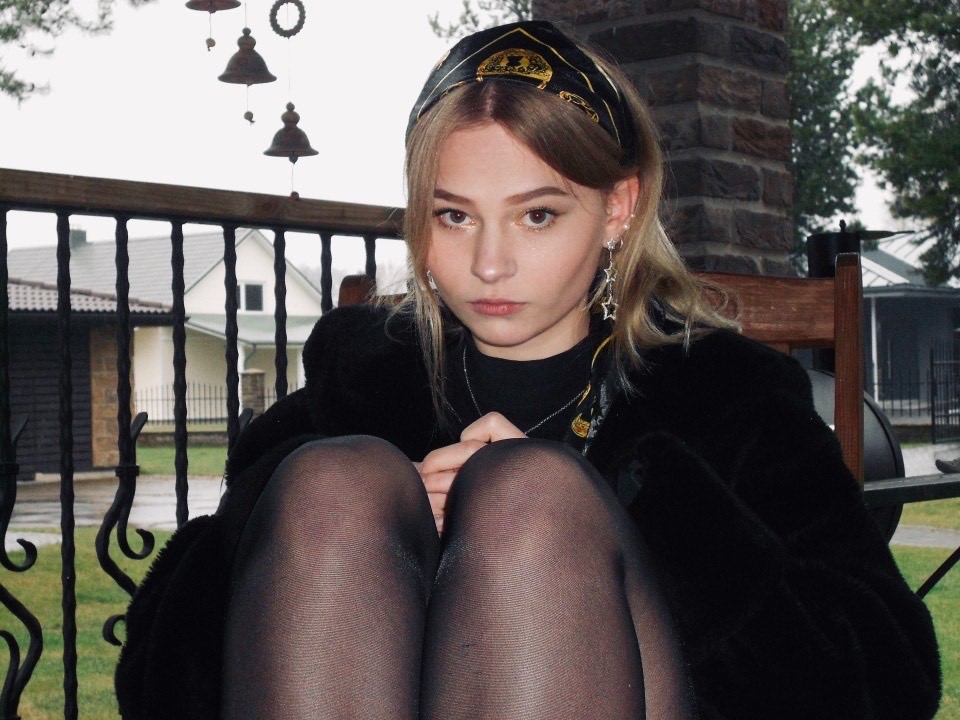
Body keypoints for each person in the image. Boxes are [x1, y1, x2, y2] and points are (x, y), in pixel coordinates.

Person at [115, 20, 941, 720]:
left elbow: (888, 675)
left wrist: (612, 513)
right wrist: (371, 537)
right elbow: (154, 677)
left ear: (618, 208)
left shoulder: (723, 393)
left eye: (537, 215)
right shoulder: (363, 385)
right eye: (454, 216)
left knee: (529, 499)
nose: (489, 263)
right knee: (337, 486)